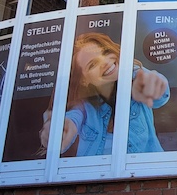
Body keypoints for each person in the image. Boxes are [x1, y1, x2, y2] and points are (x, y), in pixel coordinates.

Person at [40, 33, 169, 156]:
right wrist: (59, 130)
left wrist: (153, 83)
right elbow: (72, 119)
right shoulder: (84, 107)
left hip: (146, 173)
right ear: (84, 81)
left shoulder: (135, 77)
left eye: (106, 52)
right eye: (93, 64)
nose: (106, 62)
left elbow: (160, 92)